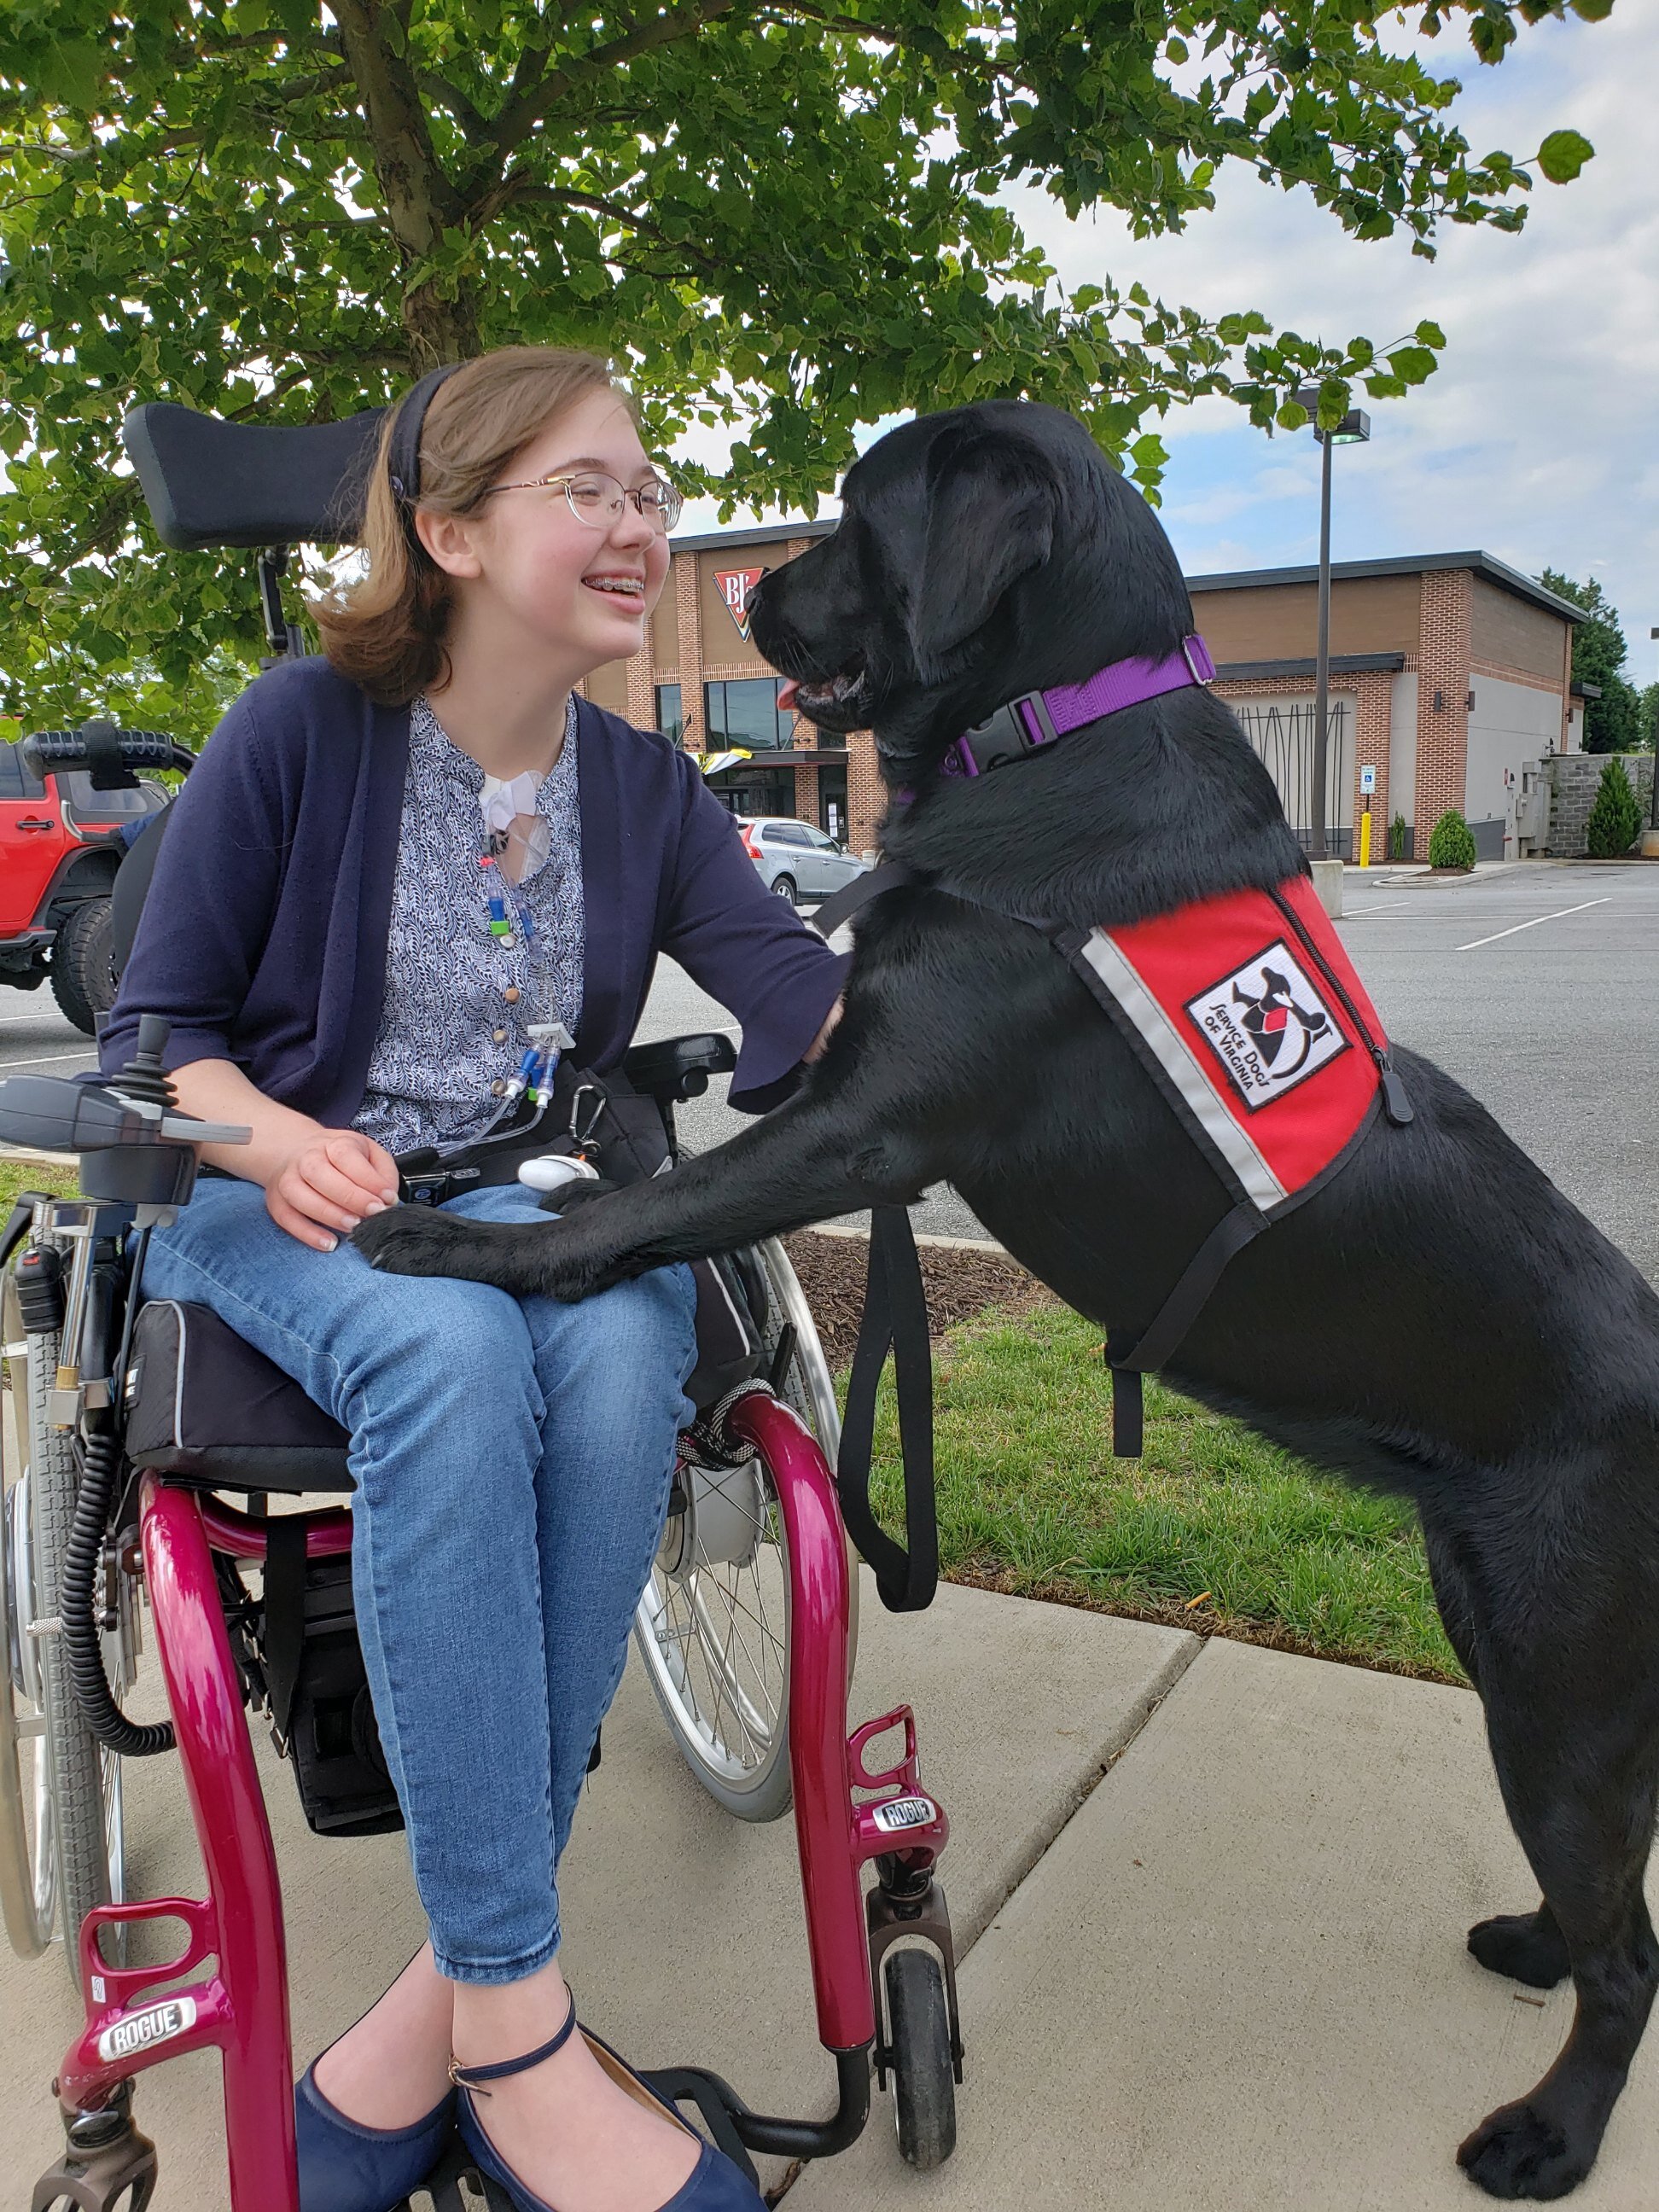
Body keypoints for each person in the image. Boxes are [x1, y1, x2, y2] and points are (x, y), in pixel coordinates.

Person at [102, 346, 847, 2212]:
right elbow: (159, 1036)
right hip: (280, 1206)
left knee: (620, 1339)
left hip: (532, 1209)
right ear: (444, 529)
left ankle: (441, 2009)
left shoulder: (645, 789)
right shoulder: (300, 730)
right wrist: (278, 1135)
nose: (638, 523)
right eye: (586, 487)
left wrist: (982, 1003)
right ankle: (523, 2039)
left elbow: (800, 1008)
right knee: (449, 1356)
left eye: (650, 488)